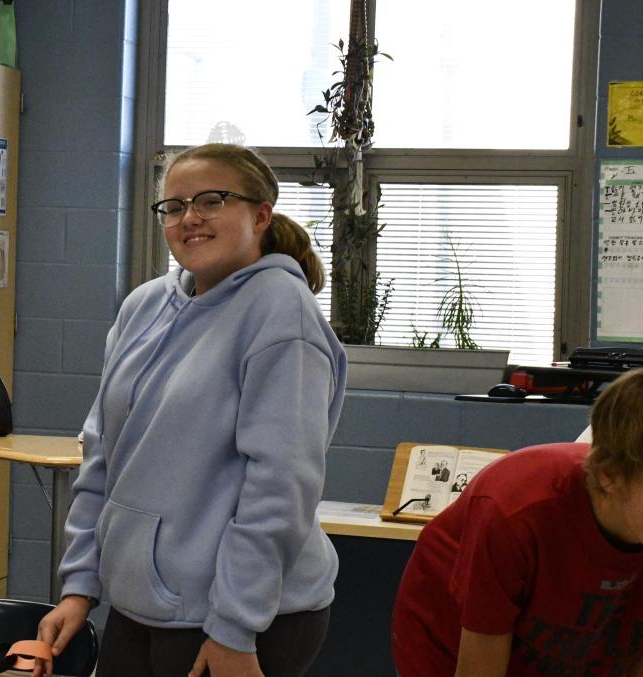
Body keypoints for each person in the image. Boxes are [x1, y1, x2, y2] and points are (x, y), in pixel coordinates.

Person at [36, 143, 346, 677]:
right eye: (174, 206)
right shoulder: (144, 306)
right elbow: (102, 453)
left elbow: (280, 484)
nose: (190, 218)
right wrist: (80, 585)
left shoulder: (281, 311)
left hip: (244, 617)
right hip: (143, 603)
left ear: (261, 215)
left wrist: (235, 626)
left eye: (211, 201)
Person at [392, 367, 643, 676]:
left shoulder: (632, 511)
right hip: (451, 638)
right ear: (609, 476)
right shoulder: (516, 511)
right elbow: (480, 670)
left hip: (567, 638)